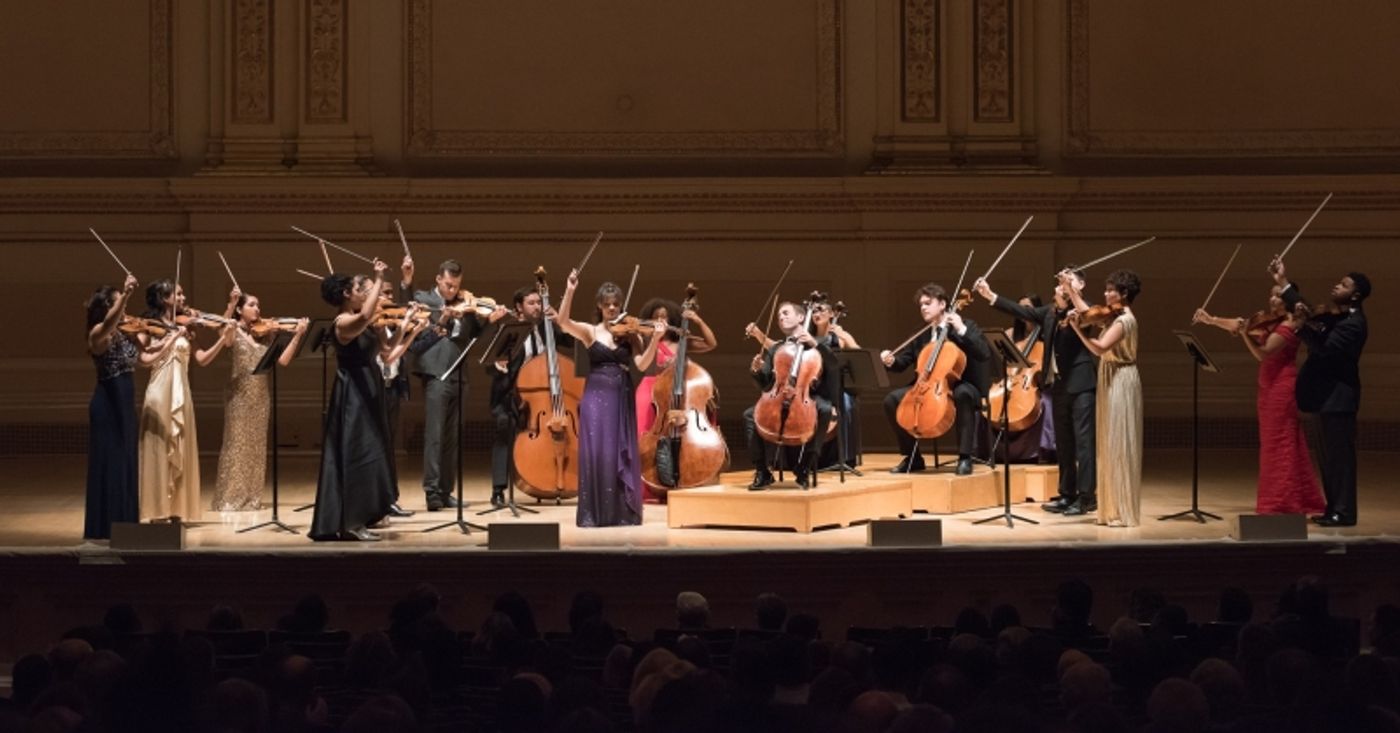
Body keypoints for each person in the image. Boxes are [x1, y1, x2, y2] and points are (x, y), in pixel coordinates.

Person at [310, 260, 424, 541]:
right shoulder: (342, 323)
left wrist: (408, 328)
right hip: (352, 395)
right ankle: (349, 522)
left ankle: (366, 515)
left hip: (370, 388)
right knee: (355, 455)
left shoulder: (369, 324)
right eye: (364, 290)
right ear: (348, 294)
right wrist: (378, 275)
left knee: (373, 455)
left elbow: (387, 353)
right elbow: (363, 318)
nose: (369, 294)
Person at [1194, 286, 1326, 515]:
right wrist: (1211, 320)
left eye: (1277, 295)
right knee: (1275, 443)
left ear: (1287, 300)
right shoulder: (1271, 321)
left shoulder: (1289, 325)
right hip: (1268, 387)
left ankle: (1281, 501)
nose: (1272, 298)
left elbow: (1263, 353)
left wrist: (1245, 333)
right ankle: (1295, 495)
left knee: (1280, 444)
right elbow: (1238, 324)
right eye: (1271, 293)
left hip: (1282, 388)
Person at [975, 274, 1095, 514]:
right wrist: (990, 295)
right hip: (1059, 385)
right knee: (1064, 444)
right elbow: (1021, 310)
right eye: (1061, 281)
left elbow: (1088, 317)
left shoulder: (1086, 310)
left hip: (1081, 385)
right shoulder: (1049, 312)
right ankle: (1067, 494)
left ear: (1080, 285)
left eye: (1069, 280)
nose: (1061, 285)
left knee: (1083, 443)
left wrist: (1072, 291)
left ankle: (1087, 498)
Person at [555, 269, 664, 526]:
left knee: (619, 450)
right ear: (600, 307)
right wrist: (570, 290)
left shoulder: (631, 333)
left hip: (621, 394)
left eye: (616, 304)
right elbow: (562, 322)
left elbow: (641, 364)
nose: (613, 309)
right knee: (598, 452)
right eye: (607, 305)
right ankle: (595, 512)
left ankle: (621, 512)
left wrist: (655, 339)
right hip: (595, 396)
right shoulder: (590, 332)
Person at [402, 257, 510, 511]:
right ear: (439, 279)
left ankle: (446, 490)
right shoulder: (425, 300)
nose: (452, 290)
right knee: (435, 436)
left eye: (456, 286)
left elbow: (475, 339)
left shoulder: (466, 306)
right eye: (448, 284)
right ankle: (431, 492)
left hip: (459, 376)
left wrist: (490, 323)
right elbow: (405, 305)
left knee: (452, 437)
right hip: (436, 375)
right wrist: (406, 281)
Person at [1269, 260, 1370, 527]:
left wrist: (1301, 327)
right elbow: (1307, 309)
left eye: (1345, 284)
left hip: (1339, 401)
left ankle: (1344, 512)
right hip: (1327, 400)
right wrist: (1283, 281)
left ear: (1356, 294)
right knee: (1328, 459)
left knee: (1340, 460)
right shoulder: (1337, 318)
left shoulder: (1353, 324)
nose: (1337, 285)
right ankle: (1333, 508)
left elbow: (1325, 349)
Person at [135, 279, 234, 523]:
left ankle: (176, 508)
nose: (182, 298)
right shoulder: (148, 325)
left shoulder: (186, 327)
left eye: (182, 294)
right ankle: (157, 510)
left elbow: (202, 359)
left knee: (180, 444)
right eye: (177, 294)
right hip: (159, 391)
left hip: (182, 392)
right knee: (159, 448)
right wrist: (170, 339)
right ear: (163, 297)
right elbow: (143, 359)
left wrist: (223, 338)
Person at [211, 290, 310, 512]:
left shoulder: (265, 334)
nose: (257, 309)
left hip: (260, 397)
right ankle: (229, 499)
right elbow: (223, 335)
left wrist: (297, 335)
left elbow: (283, 361)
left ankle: (251, 497)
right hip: (239, 396)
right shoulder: (232, 331)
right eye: (252, 305)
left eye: (258, 305)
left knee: (256, 447)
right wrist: (231, 303)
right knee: (236, 446)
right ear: (240, 310)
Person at [881, 284, 991, 476]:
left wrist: (961, 328)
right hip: (926, 386)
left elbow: (983, 353)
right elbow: (903, 363)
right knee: (892, 400)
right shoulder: (921, 332)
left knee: (963, 394)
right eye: (921, 304)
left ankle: (965, 457)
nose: (923, 307)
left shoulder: (965, 325)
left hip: (962, 383)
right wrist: (890, 361)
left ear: (942, 304)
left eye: (928, 303)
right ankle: (913, 458)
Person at [1065, 269, 1143, 527]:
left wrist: (1077, 328)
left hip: (1121, 379)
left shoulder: (1124, 321)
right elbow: (1089, 312)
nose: (1106, 294)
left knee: (1120, 443)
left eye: (1112, 290)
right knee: (1109, 443)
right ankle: (1112, 509)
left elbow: (1099, 348)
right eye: (1107, 289)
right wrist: (1070, 290)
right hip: (1111, 376)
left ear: (1124, 294)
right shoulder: (1113, 316)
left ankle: (1122, 510)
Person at [486, 285, 573, 507]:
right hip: (510, 393)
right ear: (519, 307)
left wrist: (560, 321)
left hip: (541, 399)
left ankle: (547, 478)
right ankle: (498, 490)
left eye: (539, 302)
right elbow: (490, 364)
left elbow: (574, 342)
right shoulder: (507, 328)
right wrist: (498, 365)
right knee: (504, 429)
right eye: (531, 303)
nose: (537, 307)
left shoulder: (547, 329)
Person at [744, 301, 835, 490]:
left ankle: (805, 466)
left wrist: (815, 344)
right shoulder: (777, 348)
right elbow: (766, 384)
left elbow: (834, 368)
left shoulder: (820, 343)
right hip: (778, 397)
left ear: (801, 317)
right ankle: (762, 471)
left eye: (785, 313)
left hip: (808, 396)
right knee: (749, 415)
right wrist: (757, 371)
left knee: (825, 410)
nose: (781, 317)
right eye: (779, 316)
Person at [634, 297, 718, 500]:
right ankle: (647, 485)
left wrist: (697, 320)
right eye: (656, 317)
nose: (661, 320)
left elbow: (711, 343)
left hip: (677, 393)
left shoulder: (682, 341)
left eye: (664, 317)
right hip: (649, 389)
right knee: (646, 437)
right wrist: (654, 336)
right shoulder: (645, 339)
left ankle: (681, 476)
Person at [83, 274, 141, 540]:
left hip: (126, 407)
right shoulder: (98, 333)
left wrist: (167, 342)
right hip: (107, 407)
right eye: (119, 303)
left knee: (126, 464)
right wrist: (127, 294)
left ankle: (126, 526)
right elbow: (108, 323)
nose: (125, 309)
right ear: (107, 306)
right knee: (111, 464)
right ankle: (104, 528)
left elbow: (142, 360)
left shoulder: (124, 334)